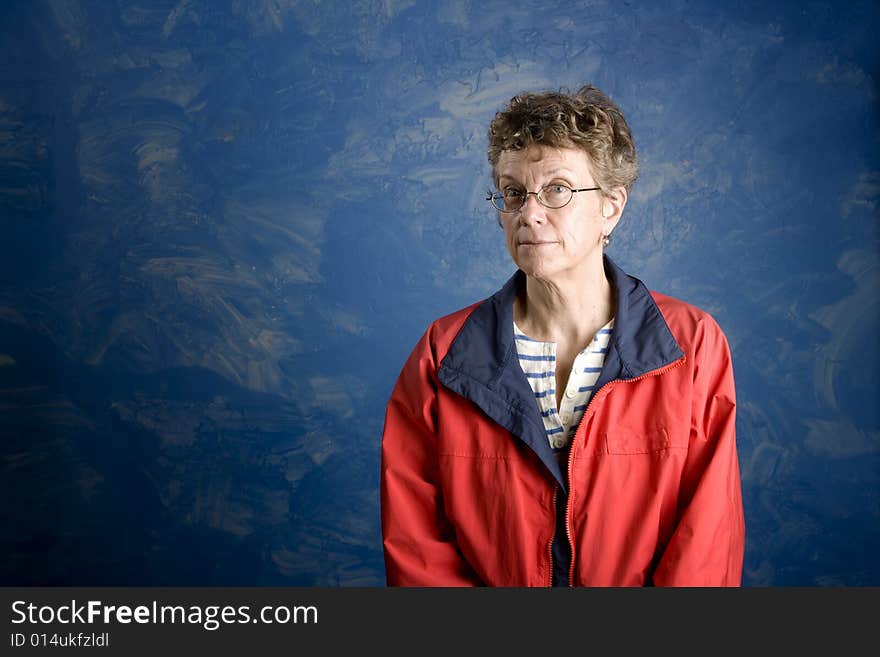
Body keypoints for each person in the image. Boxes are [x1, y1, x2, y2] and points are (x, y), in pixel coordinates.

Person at [380, 84, 745, 586]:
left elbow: (706, 542)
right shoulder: (442, 355)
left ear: (612, 207)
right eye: (513, 192)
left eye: (557, 189)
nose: (529, 212)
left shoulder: (691, 347)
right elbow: (417, 544)